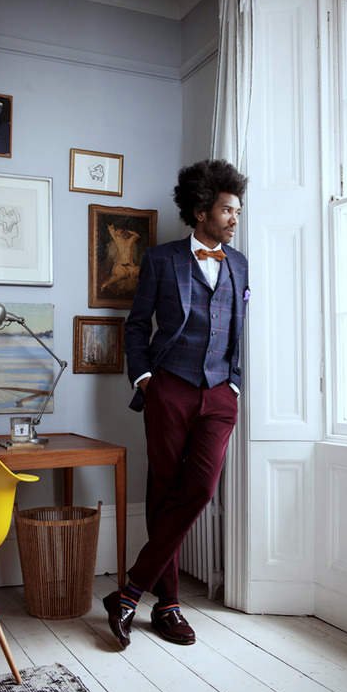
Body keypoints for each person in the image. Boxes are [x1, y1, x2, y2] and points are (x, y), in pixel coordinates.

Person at [103, 159, 250, 649]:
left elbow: (238, 330)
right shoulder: (162, 259)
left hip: (219, 395)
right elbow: (137, 324)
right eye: (227, 210)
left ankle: (128, 593)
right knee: (164, 492)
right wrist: (146, 379)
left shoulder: (239, 263)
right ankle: (166, 605)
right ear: (201, 210)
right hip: (170, 387)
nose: (234, 218)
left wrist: (234, 383)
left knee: (200, 490)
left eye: (237, 210)